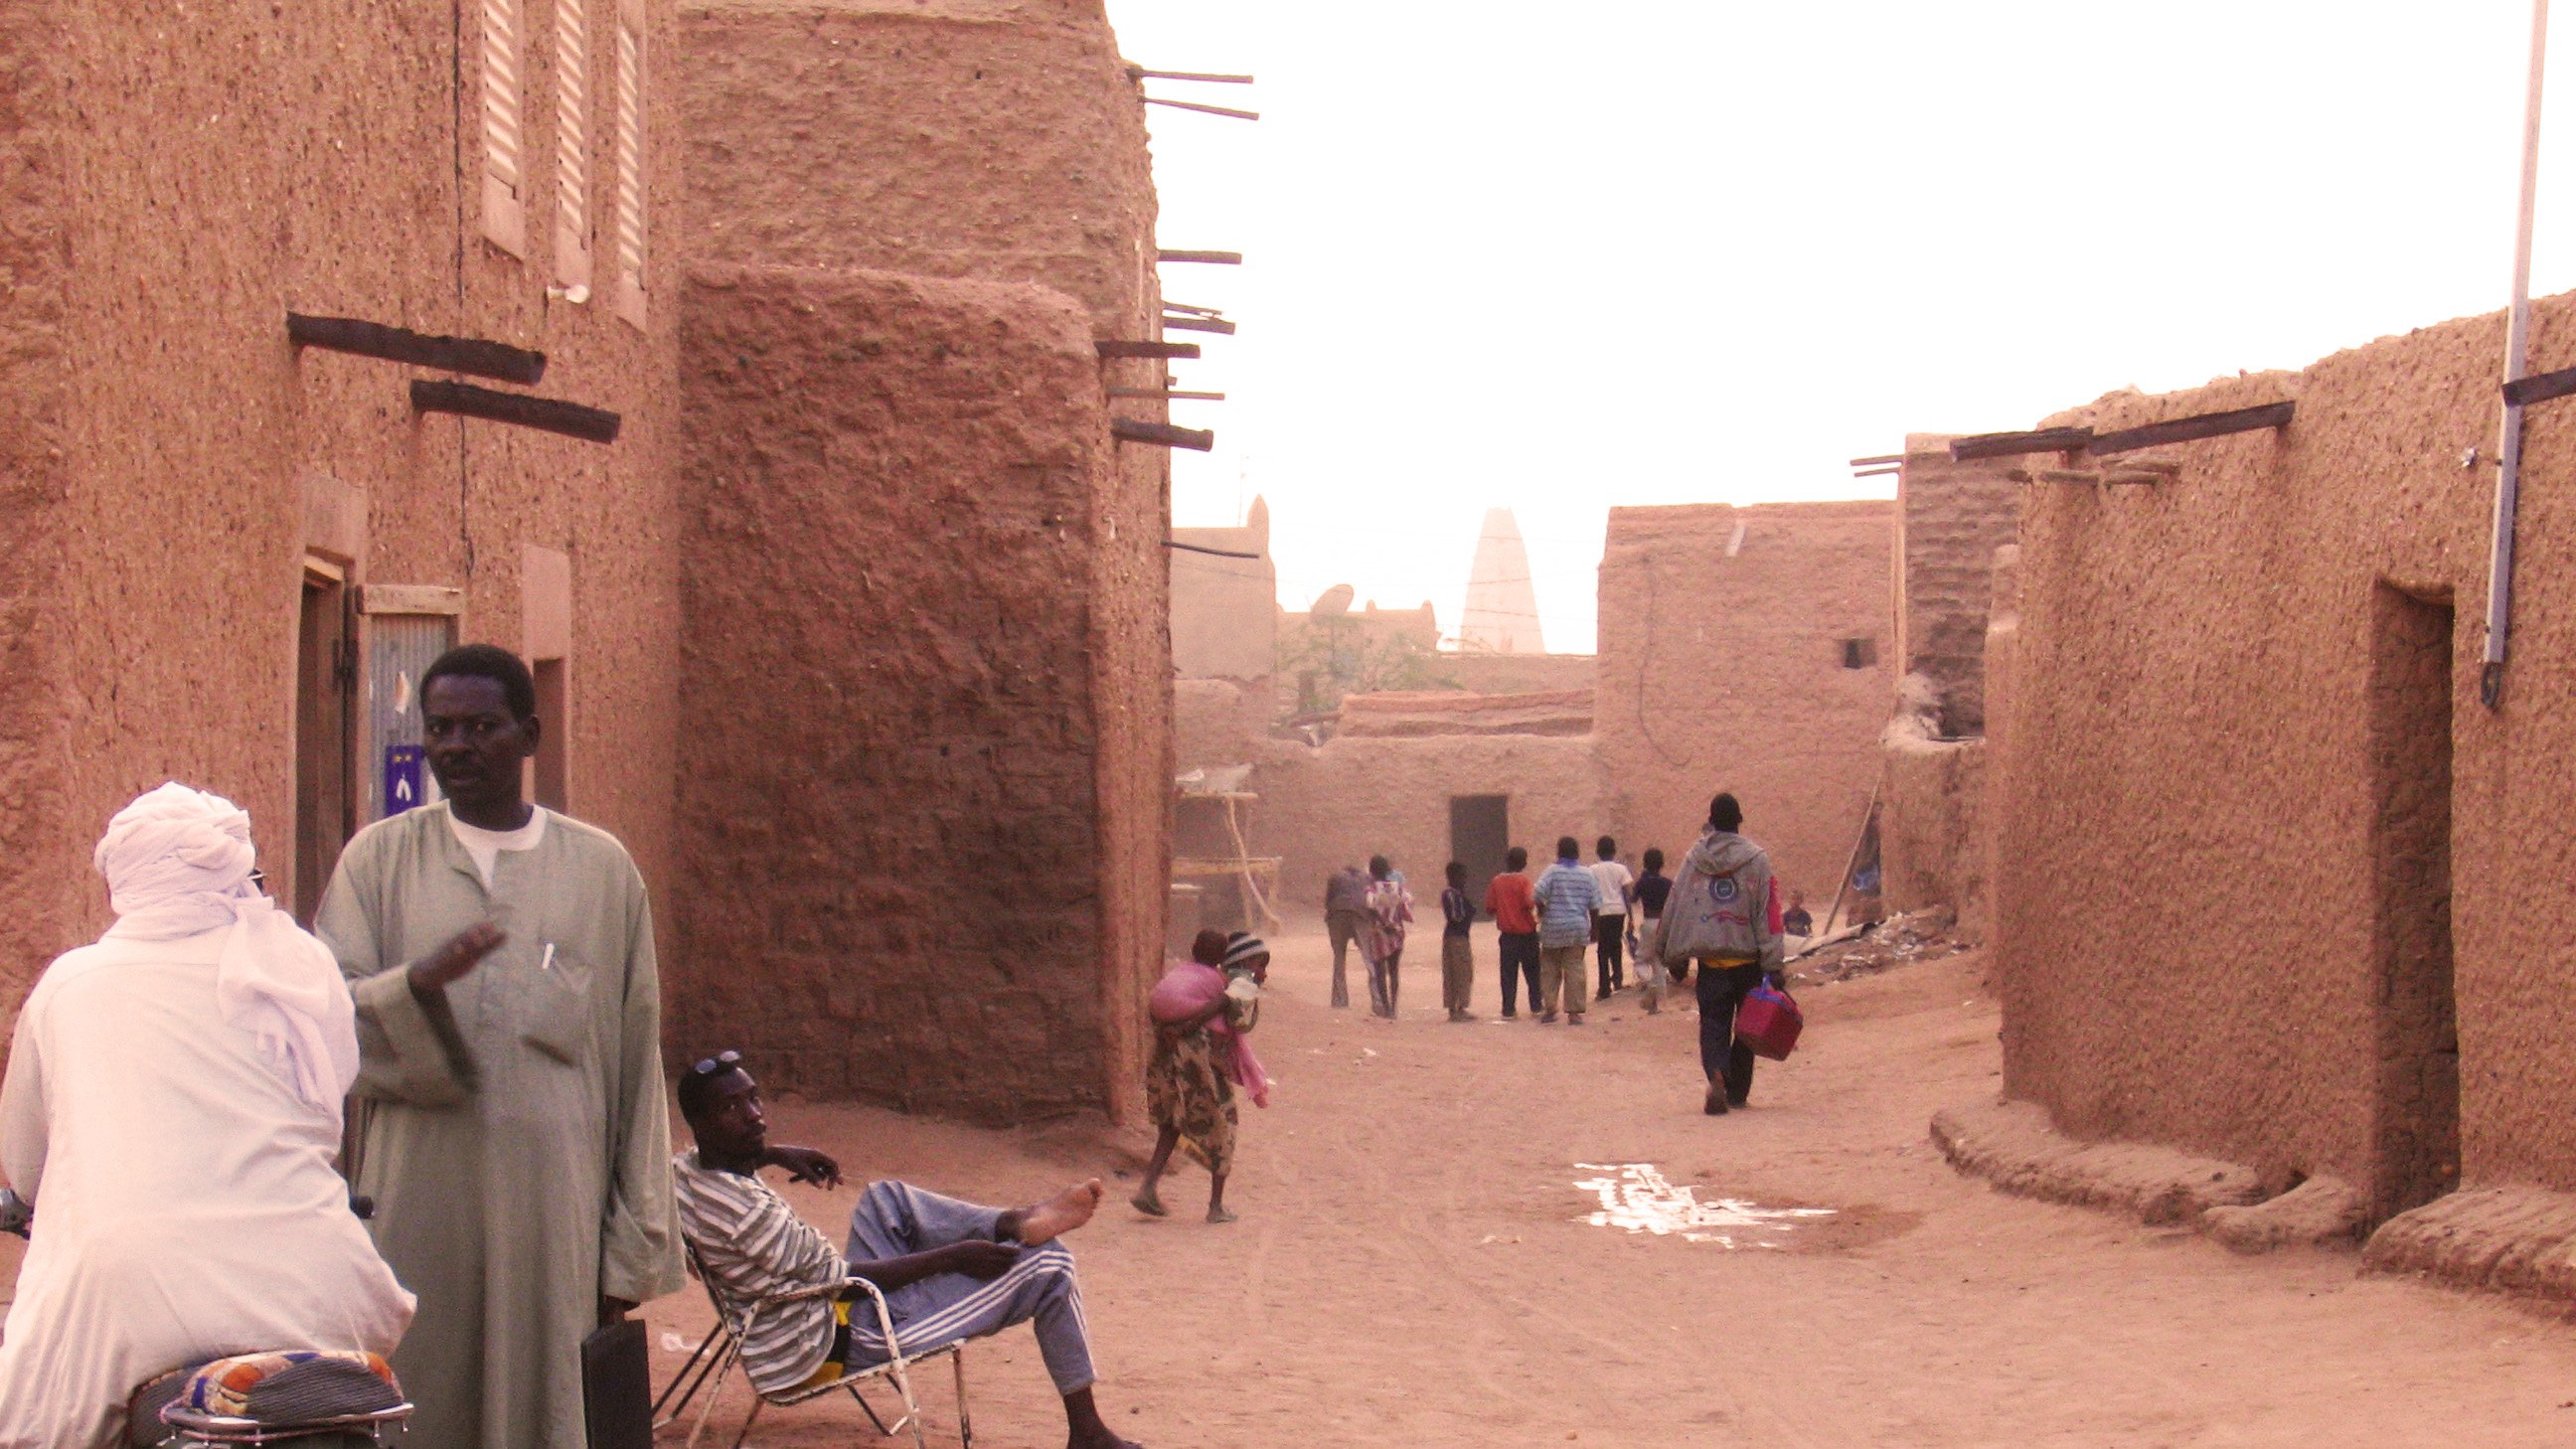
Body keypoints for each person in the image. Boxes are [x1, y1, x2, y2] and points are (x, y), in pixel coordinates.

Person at [315, 644, 682, 1449]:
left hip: (555, 1219)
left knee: (543, 1410)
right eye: (440, 728)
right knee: (416, 1402)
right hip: (417, 1209)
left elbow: (634, 1071)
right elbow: (326, 1024)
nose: (456, 746)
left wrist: (629, 1250)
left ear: (529, 734)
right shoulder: (377, 862)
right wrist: (414, 987)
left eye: (481, 726)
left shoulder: (602, 871)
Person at [0, 785, 415, 1449]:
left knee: (34, 1421)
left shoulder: (70, 987)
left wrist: (25, 1199)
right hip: (317, 1278)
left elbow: (25, 1165)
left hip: (132, 1299)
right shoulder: (296, 966)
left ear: (124, 883)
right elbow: (322, 1118)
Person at [672, 1054, 1142, 1449]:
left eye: (752, 1097)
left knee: (886, 1199)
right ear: (701, 1123)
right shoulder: (749, 1214)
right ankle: (1088, 1434)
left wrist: (772, 1154)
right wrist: (954, 1257)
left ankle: (1014, 1221)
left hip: (812, 1313)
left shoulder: (688, 1171)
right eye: (732, 1107)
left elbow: (720, 1160)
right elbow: (841, 1280)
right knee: (1052, 1265)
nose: (753, 1114)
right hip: (834, 1339)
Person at [1645, 793, 1786, 1116]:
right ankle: (1737, 1093)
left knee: (1713, 1023)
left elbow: (1676, 904)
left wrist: (1670, 953)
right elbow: (1769, 914)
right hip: (1748, 961)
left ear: (1711, 820)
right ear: (1739, 820)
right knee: (1747, 1028)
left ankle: (1717, 1074)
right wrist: (1774, 964)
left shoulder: (1695, 859)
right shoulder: (1757, 859)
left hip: (1711, 963)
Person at [1135, 929, 1266, 1223]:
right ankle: (1215, 1206)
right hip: (1200, 1058)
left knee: (1171, 1122)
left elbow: (1161, 1008)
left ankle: (1147, 1188)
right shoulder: (1230, 985)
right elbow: (1237, 1019)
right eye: (1260, 965)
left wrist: (1174, 1030)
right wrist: (1188, 1028)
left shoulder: (1180, 973)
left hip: (1166, 1051)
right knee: (1223, 1123)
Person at [1532, 837, 1600, 1025]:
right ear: (1577, 853)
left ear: (1558, 852)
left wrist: (1541, 909)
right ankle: (1574, 1013)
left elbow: (1537, 893)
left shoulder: (1552, 872)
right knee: (1575, 969)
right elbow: (1595, 905)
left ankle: (1550, 1008)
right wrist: (1595, 929)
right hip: (1577, 928)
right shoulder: (1587, 875)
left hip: (1553, 927)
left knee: (1550, 969)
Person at [1482, 847, 1540, 1020]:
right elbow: (1530, 903)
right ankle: (1536, 1006)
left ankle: (1508, 1009)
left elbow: (1490, 909)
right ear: (1522, 862)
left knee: (1508, 974)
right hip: (1527, 933)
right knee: (1533, 972)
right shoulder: (1524, 881)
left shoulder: (1496, 881)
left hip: (1507, 935)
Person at [1359, 855, 1412, 1020]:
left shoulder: (1371, 890)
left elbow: (1369, 908)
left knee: (1380, 972)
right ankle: (1394, 1008)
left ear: (1372, 871)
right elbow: (1407, 904)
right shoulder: (1398, 888)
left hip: (1379, 934)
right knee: (1394, 971)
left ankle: (1386, 1007)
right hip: (1396, 932)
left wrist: (1381, 920)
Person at [1587, 836, 1636, 998]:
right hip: (1618, 911)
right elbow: (1626, 894)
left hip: (1601, 913)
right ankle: (1618, 980)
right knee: (1616, 946)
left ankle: (1604, 987)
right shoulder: (1621, 869)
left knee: (1602, 949)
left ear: (1598, 852)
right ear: (1614, 852)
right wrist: (1631, 917)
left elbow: (1590, 894)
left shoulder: (1592, 870)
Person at [1323, 864, 1371, 1010]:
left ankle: (1339, 1000)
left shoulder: (1335, 877)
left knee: (1339, 957)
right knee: (1368, 957)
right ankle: (1378, 1000)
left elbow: (1327, 902)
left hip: (1337, 913)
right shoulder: (1367, 878)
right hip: (1360, 914)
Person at [1633, 847, 1676, 1011]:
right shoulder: (1668, 883)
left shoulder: (1643, 882)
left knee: (1641, 961)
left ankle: (1650, 984)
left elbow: (1633, 899)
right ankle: (1659, 1002)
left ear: (1644, 864)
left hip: (1649, 921)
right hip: (1664, 924)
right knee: (1660, 962)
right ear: (1662, 864)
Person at [1438, 862, 1477, 1023]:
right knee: (1460, 972)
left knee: (1455, 971)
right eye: (1462, 876)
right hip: (1457, 938)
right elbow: (1457, 917)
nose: (1465, 880)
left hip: (1456, 936)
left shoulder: (1454, 894)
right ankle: (1458, 1008)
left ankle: (1456, 1007)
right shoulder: (1452, 895)